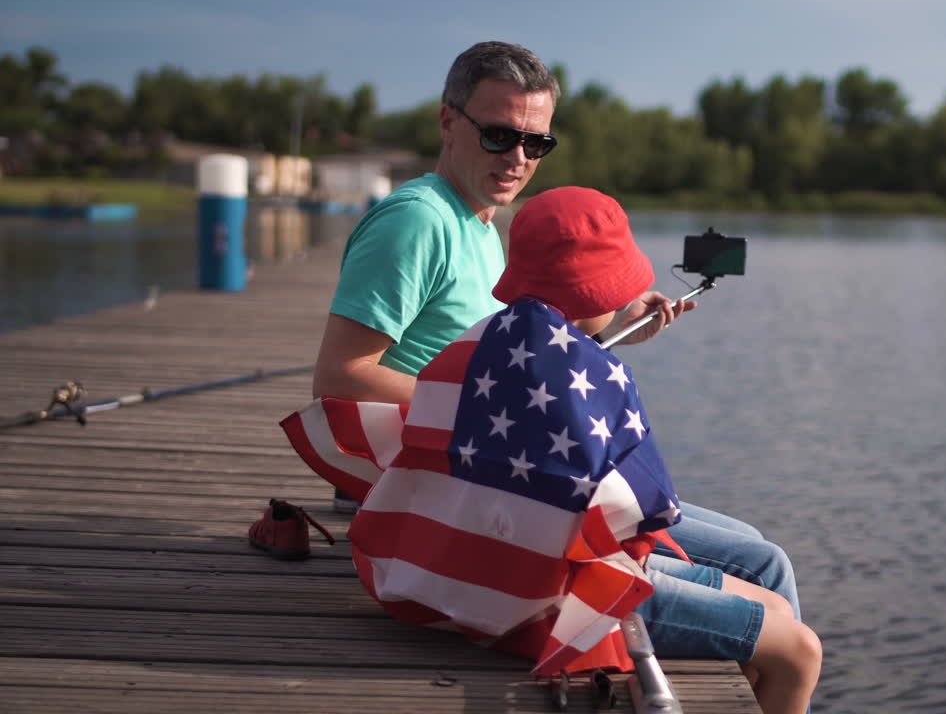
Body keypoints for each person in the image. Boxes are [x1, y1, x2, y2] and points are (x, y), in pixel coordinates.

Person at [309, 40, 803, 631]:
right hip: (457, 489)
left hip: (496, 472)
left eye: (536, 142)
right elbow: (339, 378)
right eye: (499, 135)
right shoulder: (418, 221)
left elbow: (506, 369)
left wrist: (612, 330)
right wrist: (492, 414)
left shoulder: (482, 224)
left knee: (749, 542)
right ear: (448, 122)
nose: (518, 157)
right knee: (764, 565)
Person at [287, 186, 820, 714]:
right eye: (611, 291)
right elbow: (632, 513)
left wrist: (613, 328)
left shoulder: (479, 347)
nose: (617, 301)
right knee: (797, 644)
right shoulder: (568, 392)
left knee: (765, 585)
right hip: (543, 597)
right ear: (591, 293)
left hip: (466, 563)